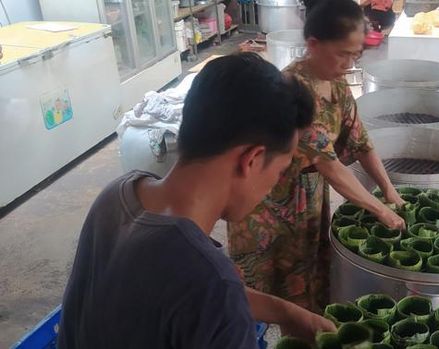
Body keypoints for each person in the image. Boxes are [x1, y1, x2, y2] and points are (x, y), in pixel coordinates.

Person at [58, 53, 335, 348]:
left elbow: (184, 291)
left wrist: (287, 312)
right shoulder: (212, 284)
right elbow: (206, 291)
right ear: (252, 160)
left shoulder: (115, 196)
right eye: (280, 171)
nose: (272, 186)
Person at [228, 0, 406, 314]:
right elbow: (329, 165)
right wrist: (380, 209)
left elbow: (361, 142)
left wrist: (389, 189)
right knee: (260, 299)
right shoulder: (292, 89)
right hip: (265, 206)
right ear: (313, 44)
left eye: (357, 54)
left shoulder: (336, 85)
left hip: (306, 204)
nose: (350, 63)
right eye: (343, 53)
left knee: (304, 295)